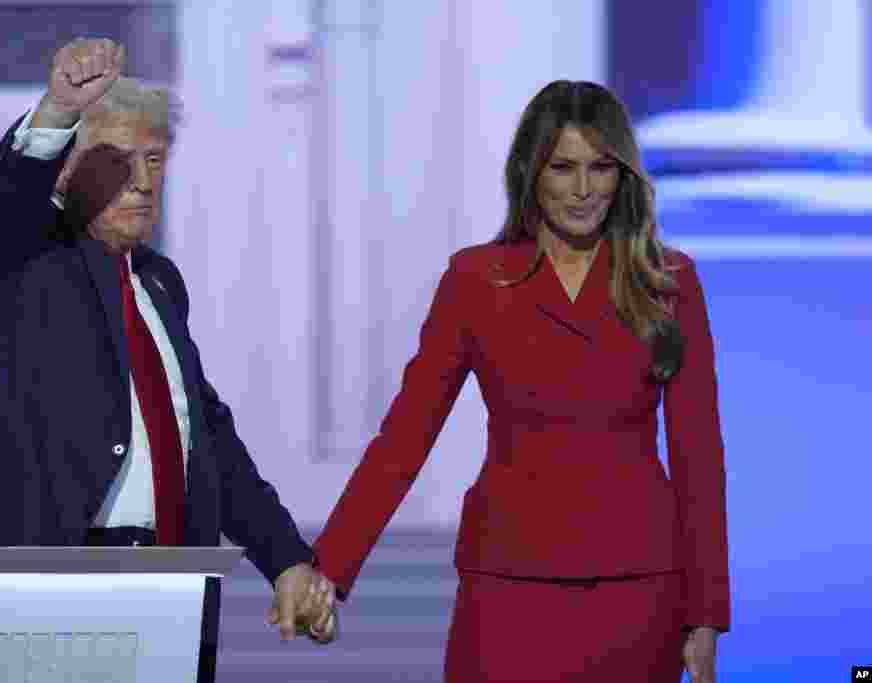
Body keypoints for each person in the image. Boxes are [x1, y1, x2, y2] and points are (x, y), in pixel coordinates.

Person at [0, 37, 337, 648]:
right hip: (41, 591)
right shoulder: (19, 263)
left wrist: (286, 560)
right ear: (66, 168)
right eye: (118, 161)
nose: (142, 183)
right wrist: (59, 111)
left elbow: (205, 438)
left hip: (166, 588)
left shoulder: (159, 283)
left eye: (155, 160)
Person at [312, 80, 730, 682]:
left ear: (623, 176)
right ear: (530, 172)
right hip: (508, 585)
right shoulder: (477, 280)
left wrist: (705, 614)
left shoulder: (668, 281)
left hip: (637, 591)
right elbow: (405, 437)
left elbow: (699, 457)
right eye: (563, 167)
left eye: (600, 168)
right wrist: (331, 568)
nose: (583, 189)